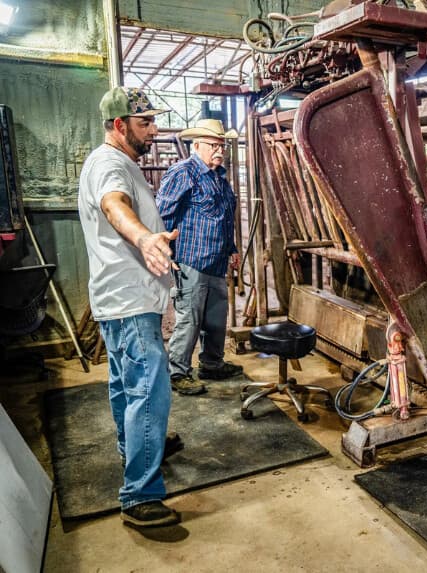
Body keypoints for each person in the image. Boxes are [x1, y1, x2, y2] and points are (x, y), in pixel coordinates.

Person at [78, 86, 181, 527]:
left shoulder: (120, 162)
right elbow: (113, 204)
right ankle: (139, 493)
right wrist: (143, 238)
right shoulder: (110, 164)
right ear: (120, 126)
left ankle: (136, 446)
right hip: (129, 300)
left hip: (121, 299)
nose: (153, 131)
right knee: (149, 389)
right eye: (145, 123)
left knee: (125, 384)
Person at [156, 119, 243, 396]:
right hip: (191, 259)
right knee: (189, 319)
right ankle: (178, 372)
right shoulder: (183, 173)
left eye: (222, 145)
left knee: (217, 318)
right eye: (213, 145)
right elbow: (162, 214)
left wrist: (232, 250)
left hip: (217, 260)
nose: (219, 150)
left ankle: (212, 364)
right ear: (196, 146)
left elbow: (224, 218)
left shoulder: (219, 176)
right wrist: (164, 250)